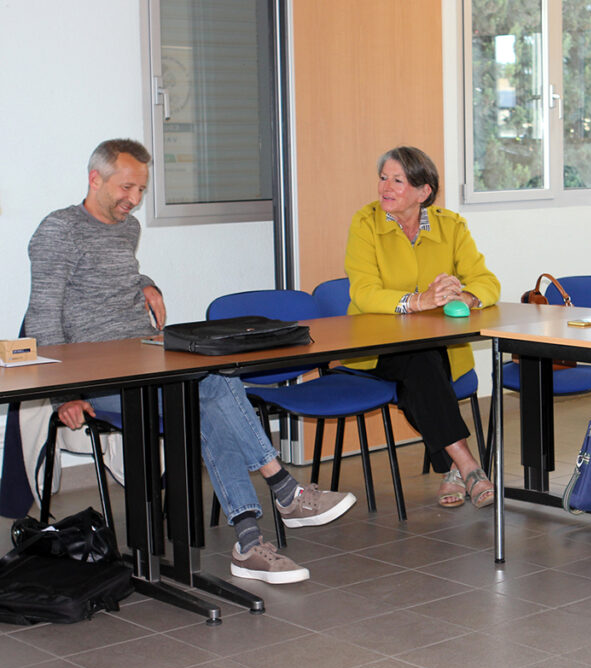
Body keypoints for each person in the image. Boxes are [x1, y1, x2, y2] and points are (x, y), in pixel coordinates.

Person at [24, 138, 356, 585]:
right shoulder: (59, 230)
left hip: (145, 359)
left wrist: (146, 282)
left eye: (142, 190)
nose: (134, 200)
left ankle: (250, 541)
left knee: (211, 384)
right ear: (94, 179)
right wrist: (64, 395)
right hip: (102, 379)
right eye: (126, 188)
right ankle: (281, 491)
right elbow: (42, 318)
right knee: (212, 389)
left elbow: (112, 274)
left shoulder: (126, 227)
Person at [344, 146, 500, 508]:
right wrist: (419, 301)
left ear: (423, 191)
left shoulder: (451, 226)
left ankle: (455, 469)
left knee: (420, 369)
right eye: (383, 178)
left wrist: (465, 298)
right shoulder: (365, 223)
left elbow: (487, 281)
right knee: (420, 361)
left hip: (436, 349)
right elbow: (364, 293)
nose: (385, 187)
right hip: (376, 347)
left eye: (397, 180)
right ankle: (467, 465)